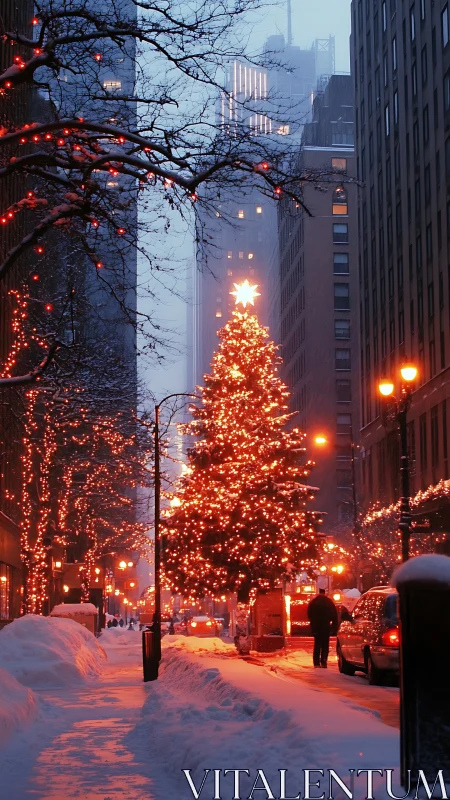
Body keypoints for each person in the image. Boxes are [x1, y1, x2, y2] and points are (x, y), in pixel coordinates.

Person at [307, 588, 338, 669]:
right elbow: (334, 615)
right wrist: (334, 627)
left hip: (316, 626)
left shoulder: (314, 602)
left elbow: (309, 614)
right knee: (325, 644)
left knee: (317, 644)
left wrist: (313, 624)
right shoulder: (329, 602)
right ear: (325, 593)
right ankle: (323, 661)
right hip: (325, 626)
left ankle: (316, 662)